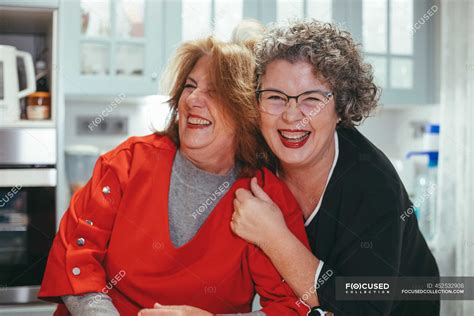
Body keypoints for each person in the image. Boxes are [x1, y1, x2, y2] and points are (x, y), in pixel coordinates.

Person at [38, 37, 310, 316]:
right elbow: (76, 256)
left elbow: (292, 306)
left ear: (245, 111)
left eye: (214, 92)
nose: (192, 100)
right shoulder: (129, 162)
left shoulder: (265, 197)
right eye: (189, 86)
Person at [231, 20, 440, 315]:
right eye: (275, 97)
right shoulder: (259, 156)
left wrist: (272, 235)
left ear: (340, 108)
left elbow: (361, 305)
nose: (292, 116)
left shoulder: (373, 184)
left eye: (312, 100)